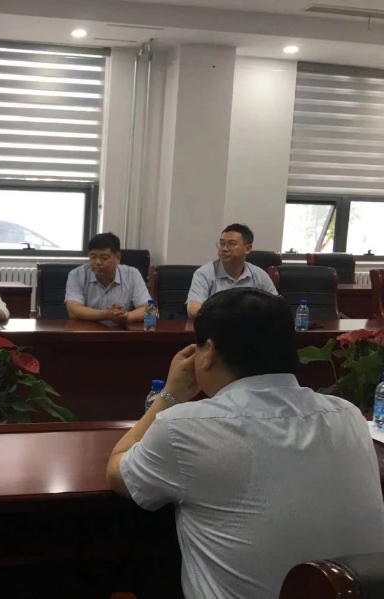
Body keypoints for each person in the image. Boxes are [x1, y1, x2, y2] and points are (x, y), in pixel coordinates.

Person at [106, 288, 384, 598]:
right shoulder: (348, 416)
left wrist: (169, 396)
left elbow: (117, 472)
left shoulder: (184, 428)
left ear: (208, 353)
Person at [186, 223, 277, 319]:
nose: (224, 249)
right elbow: (193, 311)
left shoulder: (260, 275)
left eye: (231, 244)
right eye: (222, 243)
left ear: (247, 249)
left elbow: (276, 307)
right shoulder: (204, 274)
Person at [65, 232, 150, 325]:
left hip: (119, 331)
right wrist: (107, 314)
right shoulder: (76, 275)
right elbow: (73, 310)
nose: (97, 262)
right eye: (93, 257)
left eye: (104, 258)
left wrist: (126, 316)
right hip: (87, 331)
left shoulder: (132, 275)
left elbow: (149, 309)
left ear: (117, 258)